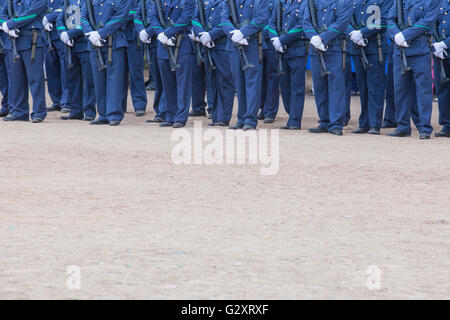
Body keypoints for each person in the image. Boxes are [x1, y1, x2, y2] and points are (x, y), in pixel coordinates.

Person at [387, 0, 439, 139]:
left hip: (420, 51)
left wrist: (405, 35)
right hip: (400, 50)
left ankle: (424, 127)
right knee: (400, 90)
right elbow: (390, 19)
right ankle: (403, 126)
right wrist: (396, 34)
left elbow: (427, 22)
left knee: (423, 91)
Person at [304, 0, 353, 136]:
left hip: (334, 48)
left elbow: (342, 22)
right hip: (316, 48)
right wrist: (313, 37)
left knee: (336, 87)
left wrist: (322, 38)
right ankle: (324, 121)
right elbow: (306, 21)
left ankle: (336, 123)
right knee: (319, 87)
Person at [221, 0, 270, 130]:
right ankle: (241, 119)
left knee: (252, 83)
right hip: (234, 45)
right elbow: (224, 19)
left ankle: (250, 119)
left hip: (252, 45)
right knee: (239, 84)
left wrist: (243, 33)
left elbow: (261, 19)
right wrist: (234, 34)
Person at [81, 0, 130, 126]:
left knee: (114, 80)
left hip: (113, 42)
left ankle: (114, 114)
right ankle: (102, 113)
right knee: (99, 80)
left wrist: (100, 33)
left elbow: (121, 16)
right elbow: (83, 16)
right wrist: (91, 34)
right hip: (94, 42)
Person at [149, 0, 195, 128]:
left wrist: (167, 33)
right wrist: (161, 34)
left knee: (183, 85)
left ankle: (180, 117)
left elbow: (185, 19)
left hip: (182, 45)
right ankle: (170, 116)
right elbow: (153, 17)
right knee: (167, 84)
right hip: (163, 46)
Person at [0, 0, 48, 123]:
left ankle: (38, 112)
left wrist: (12, 24)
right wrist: (7, 26)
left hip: (32, 41)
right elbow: (2, 14)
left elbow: (31, 14)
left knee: (35, 79)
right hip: (14, 42)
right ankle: (19, 111)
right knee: (16, 79)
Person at [349, 0, 390, 135]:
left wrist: (362, 32)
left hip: (375, 49)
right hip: (357, 47)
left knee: (375, 87)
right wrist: (353, 34)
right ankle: (364, 123)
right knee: (363, 87)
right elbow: (344, 18)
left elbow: (384, 21)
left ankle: (375, 123)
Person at [191, 0, 235, 126]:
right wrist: (202, 35)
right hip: (207, 45)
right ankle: (215, 116)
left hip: (222, 45)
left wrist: (211, 35)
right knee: (211, 82)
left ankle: (223, 118)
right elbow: (195, 19)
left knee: (224, 82)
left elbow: (227, 21)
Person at [268, 0, 307, 130]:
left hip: (297, 49)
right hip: (281, 50)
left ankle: (295, 120)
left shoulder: (304, 3)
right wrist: (275, 39)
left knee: (296, 86)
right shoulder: (280, 3)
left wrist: (282, 40)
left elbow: (302, 26)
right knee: (284, 85)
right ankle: (291, 115)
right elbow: (271, 23)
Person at [56, 0, 96, 121]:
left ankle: (89, 111)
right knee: (72, 80)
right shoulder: (69, 1)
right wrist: (63, 33)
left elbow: (86, 21)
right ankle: (76, 110)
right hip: (71, 46)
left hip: (84, 44)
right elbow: (59, 19)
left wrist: (70, 34)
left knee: (88, 80)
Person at [135, 0, 167, 123]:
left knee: (165, 79)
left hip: (163, 42)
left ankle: (164, 111)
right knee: (158, 80)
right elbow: (137, 16)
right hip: (152, 44)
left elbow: (160, 20)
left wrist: (148, 31)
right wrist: (141, 30)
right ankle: (159, 111)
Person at [121, 0, 148, 117]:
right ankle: (119, 104)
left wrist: (119, 16)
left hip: (134, 35)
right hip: (118, 36)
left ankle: (139, 104)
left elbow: (139, 12)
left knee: (135, 72)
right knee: (119, 73)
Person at [43, 0, 70, 113]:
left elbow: (66, 8)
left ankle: (67, 101)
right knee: (51, 70)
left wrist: (49, 17)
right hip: (47, 36)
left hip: (62, 35)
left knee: (66, 70)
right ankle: (56, 100)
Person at [431, 0, 450, 137]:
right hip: (440, 53)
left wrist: (445, 43)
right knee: (442, 89)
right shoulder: (440, 2)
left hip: (445, 46)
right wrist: (436, 44)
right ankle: (446, 124)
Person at [258, 0, 279, 124]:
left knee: (271, 76)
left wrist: (260, 32)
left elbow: (273, 21)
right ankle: (262, 108)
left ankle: (270, 110)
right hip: (256, 42)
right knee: (260, 77)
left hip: (270, 42)